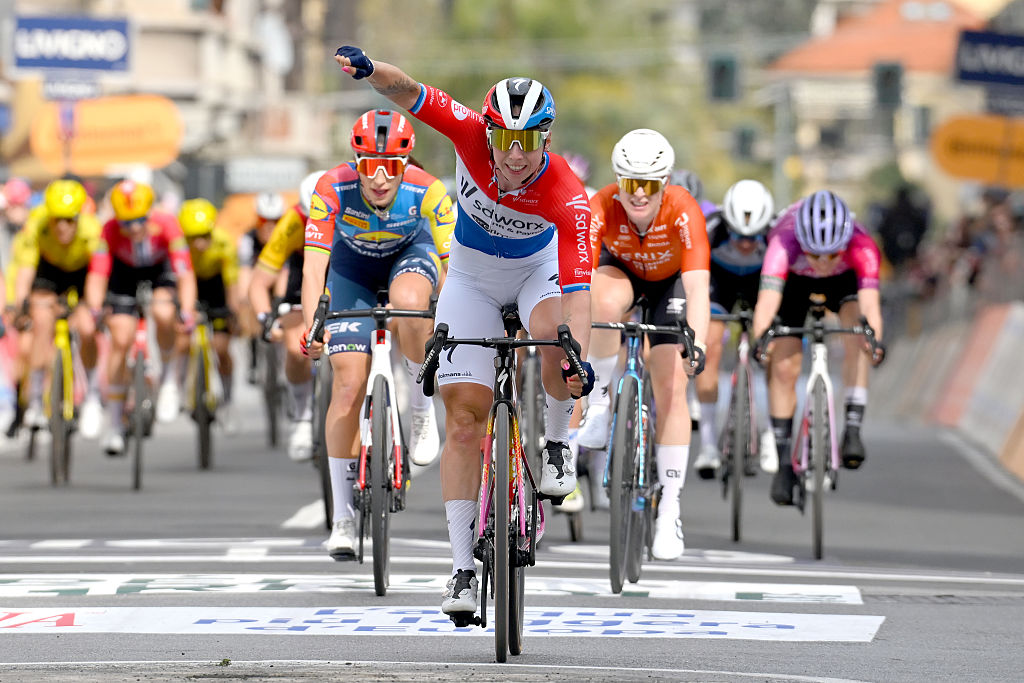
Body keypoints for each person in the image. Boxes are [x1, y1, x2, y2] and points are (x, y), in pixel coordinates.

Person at [331, 46, 595, 616]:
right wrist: (372, 70)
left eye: (529, 143)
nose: (516, 156)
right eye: (506, 142)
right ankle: (460, 572)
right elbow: (409, 92)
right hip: (471, 279)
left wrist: (578, 360)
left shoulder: (569, 195)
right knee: (465, 424)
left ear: (546, 141)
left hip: (535, 274)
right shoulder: (469, 132)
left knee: (557, 342)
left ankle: (555, 446)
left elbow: (577, 293)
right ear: (490, 134)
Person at [300, 109, 455, 557]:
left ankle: (423, 407)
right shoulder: (332, 188)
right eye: (370, 166)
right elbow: (314, 269)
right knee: (347, 385)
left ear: (407, 163)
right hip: (353, 273)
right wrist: (313, 325)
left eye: (391, 166)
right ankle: (343, 518)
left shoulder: (429, 192)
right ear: (356, 162)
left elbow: (449, 273)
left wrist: (452, 323)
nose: (381, 179)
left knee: (411, 304)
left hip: (412, 257)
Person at [578, 129, 710, 560]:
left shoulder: (684, 211)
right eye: (629, 183)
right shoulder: (600, 205)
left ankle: (669, 506)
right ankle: (598, 404)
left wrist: (699, 341)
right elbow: (577, 273)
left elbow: (698, 288)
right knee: (602, 301)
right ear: (618, 180)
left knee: (672, 382)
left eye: (649, 185)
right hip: (621, 273)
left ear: (664, 183)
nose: (638, 195)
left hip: (669, 285)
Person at [751, 190, 885, 506]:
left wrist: (874, 343)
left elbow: (871, 308)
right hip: (794, 287)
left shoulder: (862, 245)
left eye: (832, 255)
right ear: (802, 245)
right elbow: (767, 303)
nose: (823, 263)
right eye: (815, 255)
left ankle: (852, 427)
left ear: (845, 246)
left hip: (844, 284)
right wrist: (762, 341)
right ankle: (784, 462)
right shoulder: (782, 242)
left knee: (858, 334)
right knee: (784, 365)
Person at [84, 179, 197, 455]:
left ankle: (169, 379)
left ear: (150, 214)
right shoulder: (109, 230)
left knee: (164, 311)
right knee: (121, 339)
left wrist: (187, 308)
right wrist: (96, 308)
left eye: (139, 221)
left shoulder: (168, 223)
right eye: (126, 223)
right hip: (123, 275)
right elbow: (97, 275)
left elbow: (184, 272)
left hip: (159, 271)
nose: (133, 228)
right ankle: (113, 424)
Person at [691, 179, 774, 478]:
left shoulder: (774, 234)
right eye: (738, 235)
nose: (745, 243)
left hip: (759, 286)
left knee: (772, 348)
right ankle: (709, 444)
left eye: (753, 237)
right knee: (709, 346)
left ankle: (771, 434)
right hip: (719, 286)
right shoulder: (712, 228)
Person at [11, 179, 105, 438]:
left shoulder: (91, 230)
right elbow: (25, 271)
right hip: (49, 272)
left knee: (87, 328)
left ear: (78, 217)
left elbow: (98, 276)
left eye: (69, 220)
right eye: (57, 220)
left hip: (81, 273)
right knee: (41, 321)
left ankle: (93, 397)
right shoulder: (36, 226)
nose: (62, 227)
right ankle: (37, 399)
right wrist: (21, 304)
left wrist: (94, 307)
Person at [248, 172, 324, 462]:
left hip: (345, 271)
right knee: (296, 346)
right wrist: (265, 316)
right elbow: (258, 281)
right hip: (304, 273)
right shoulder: (292, 222)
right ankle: (302, 417)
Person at [178, 198, 241, 432]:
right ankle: (179, 387)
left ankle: (228, 400)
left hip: (216, 288)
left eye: (205, 235)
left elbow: (231, 282)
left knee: (222, 348)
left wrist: (234, 311)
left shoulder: (224, 243)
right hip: (189, 284)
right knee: (182, 341)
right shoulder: (179, 246)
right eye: (194, 237)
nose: (200, 243)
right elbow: (178, 279)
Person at [238, 192, 286, 385]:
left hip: (279, 279)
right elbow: (244, 270)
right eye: (263, 220)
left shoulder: (285, 236)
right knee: (249, 305)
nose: (269, 225)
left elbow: (287, 270)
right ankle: (254, 359)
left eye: (275, 220)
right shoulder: (248, 239)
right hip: (257, 280)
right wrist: (243, 298)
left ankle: (284, 361)